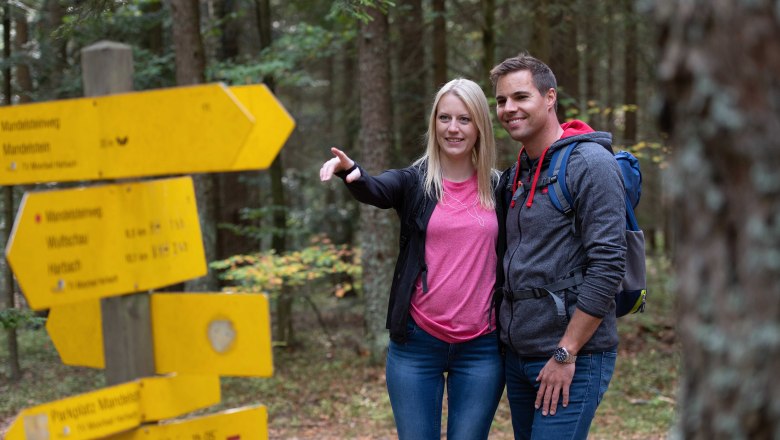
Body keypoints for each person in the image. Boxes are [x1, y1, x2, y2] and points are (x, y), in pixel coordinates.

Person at [319, 78, 505, 440]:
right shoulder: (415, 182)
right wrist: (352, 173)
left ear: (480, 126)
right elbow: (377, 188)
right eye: (445, 118)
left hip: (482, 347)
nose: (453, 128)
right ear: (434, 123)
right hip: (417, 345)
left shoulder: (499, 187)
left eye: (464, 119)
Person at [489, 54, 626, 439]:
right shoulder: (517, 174)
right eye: (501, 101)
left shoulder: (591, 163)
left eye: (520, 97)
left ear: (549, 97)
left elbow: (608, 265)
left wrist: (566, 352)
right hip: (519, 358)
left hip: (573, 356)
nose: (509, 109)